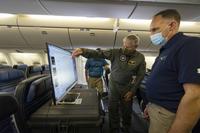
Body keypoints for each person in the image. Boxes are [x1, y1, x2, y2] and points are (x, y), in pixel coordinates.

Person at [72, 34, 146, 133]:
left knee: (126, 112)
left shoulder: (140, 58)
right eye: (123, 45)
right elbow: (99, 53)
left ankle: (126, 128)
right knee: (112, 110)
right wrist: (84, 51)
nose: (124, 48)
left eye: (127, 47)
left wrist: (132, 91)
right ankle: (113, 129)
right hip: (114, 86)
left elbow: (140, 76)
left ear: (135, 47)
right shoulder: (116, 52)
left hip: (127, 88)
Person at [144, 9, 200, 133]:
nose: (151, 34)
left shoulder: (189, 45)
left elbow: (195, 95)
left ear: (172, 25)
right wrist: (151, 104)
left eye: (154, 29)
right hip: (158, 110)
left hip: (170, 115)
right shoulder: (167, 49)